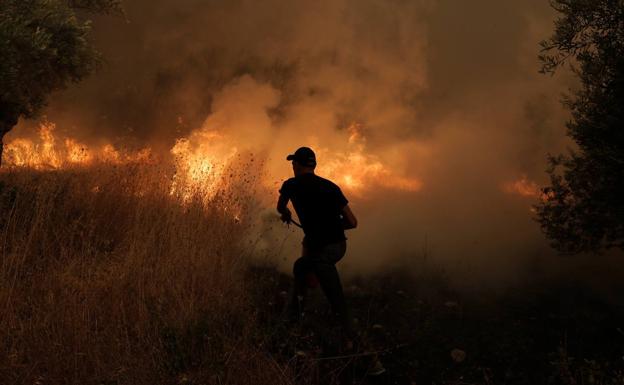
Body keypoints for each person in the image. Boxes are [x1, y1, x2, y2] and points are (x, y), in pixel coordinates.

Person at [276, 146, 358, 341]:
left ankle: (366, 355)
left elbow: (280, 207)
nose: (293, 165)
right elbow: (353, 222)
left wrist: (286, 214)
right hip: (338, 246)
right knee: (301, 267)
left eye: (293, 162)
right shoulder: (331, 186)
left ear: (297, 165)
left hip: (322, 252)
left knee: (337, 300)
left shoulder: (290, 185)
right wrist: (332, 226)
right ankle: (294, 321)